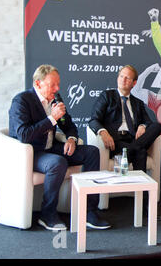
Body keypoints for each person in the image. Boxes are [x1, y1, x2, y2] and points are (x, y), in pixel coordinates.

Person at [8, 64, 110, 231]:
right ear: (38, 83)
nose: (57, 88)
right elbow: (23, 134)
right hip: (31, 152)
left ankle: (89, 210)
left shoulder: (56, 98)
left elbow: (68, 125)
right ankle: (47, 214)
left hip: (51, 147)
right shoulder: (22, 100)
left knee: (92, 152)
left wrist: (71, 139)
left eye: (58, 84)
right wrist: (51, 119)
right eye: (52, 85)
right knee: (57, 162)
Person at [89, 65, 161, 175]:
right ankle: (142, 192)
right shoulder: (107, 96)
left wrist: (143, 126)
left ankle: (134, 148)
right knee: (141, 151)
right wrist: (103, 132)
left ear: (134, 83)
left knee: (157, 126)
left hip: (133, 139)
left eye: (127, 78)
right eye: (121, 76)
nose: (123, 80)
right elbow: (93, 120)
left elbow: (148, 122)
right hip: (115, 141)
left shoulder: (137, 102)